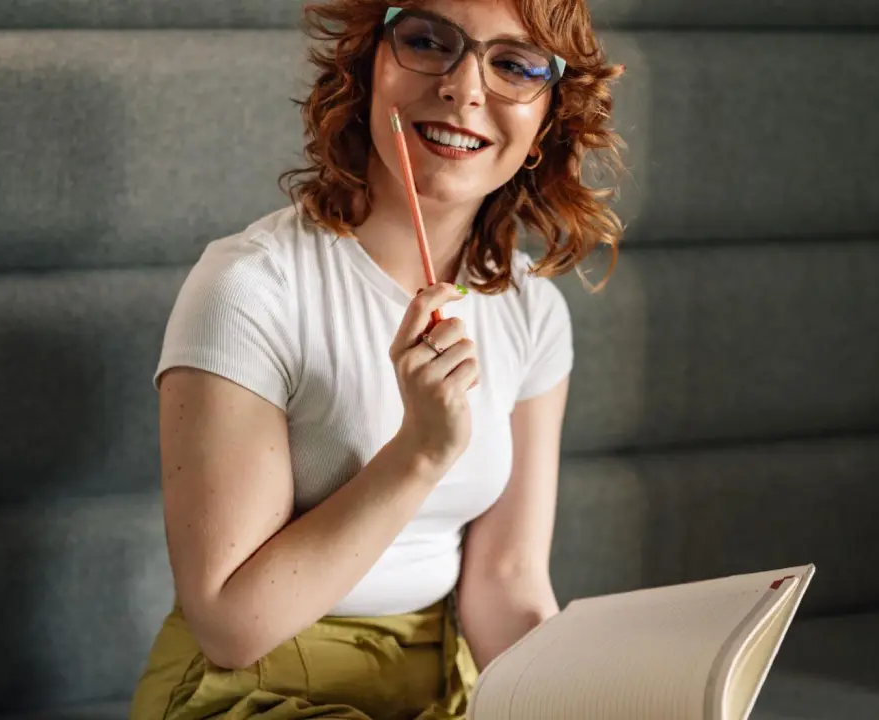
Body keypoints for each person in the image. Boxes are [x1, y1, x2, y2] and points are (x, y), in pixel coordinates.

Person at [129, 0, 624, 717]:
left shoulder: (531, 309)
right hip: (254, 689)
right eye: (427, 41)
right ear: (366, 68)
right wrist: (418, 453)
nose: (465, 89)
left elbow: (507, 585)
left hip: (440, 686)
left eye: (514, 64)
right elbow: (231, 626)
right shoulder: (249, 286)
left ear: (549, 118)